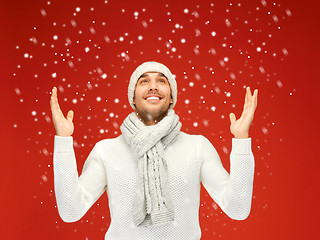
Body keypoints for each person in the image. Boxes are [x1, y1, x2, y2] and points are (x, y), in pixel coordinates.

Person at [50, 61, 258, 240]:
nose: (153, 86)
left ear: (171, 98)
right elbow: (71, 211)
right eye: (144, 81)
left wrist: (241, 140)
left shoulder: (197, 147)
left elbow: (237, 209)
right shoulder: (107, 150)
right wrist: (63, 140)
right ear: (133, 98)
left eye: (161, 81)